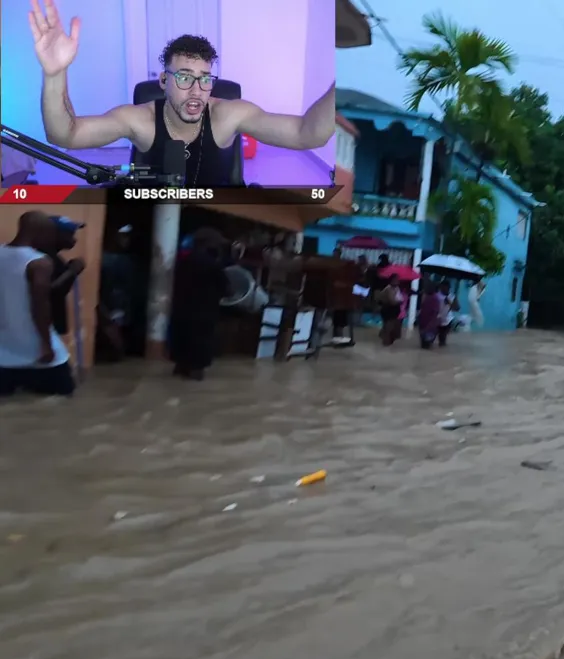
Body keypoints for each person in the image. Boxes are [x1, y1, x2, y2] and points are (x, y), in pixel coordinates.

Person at [30, 1, 335, 187]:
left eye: (205, 79)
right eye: (185, 77)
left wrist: (340, 89)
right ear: (164, 81)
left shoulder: (229, 115)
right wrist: (54, 73)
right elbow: (64, 135)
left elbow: (307, 134)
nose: (196, 91)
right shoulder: (139, 120)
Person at [0, 211, 75, 396]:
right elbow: (40, 305)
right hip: (36, 350)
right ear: (39, 232)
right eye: (50, 234)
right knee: (64, 399)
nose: (51, 239)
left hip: (3, 354)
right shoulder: (39, 263)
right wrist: (46, 344)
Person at [169, 228, 230, 380]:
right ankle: (194, 372)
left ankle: (181, 367)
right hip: (204, 313)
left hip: (181, 310)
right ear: (210, 244)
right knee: (200, 345)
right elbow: (227, 289)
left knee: (182, 341)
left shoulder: (183, 262)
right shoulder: (213, 265)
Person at [376, 275, 405, 346]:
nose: (397, 281)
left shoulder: (397, 288)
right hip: (388, 309)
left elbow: (399, 298)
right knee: (389, 326)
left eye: (397, 280)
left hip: (394, 310)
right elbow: (392, 301)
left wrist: (399, 301)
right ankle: (385, 342)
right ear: (391, 280)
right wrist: (399, 301)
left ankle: (386, 339)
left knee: (390, 326)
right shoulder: (388, 289)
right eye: (395, 280)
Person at [417, 280, 442, 349]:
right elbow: (423, 309)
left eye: (428, 287)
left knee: (426, 345)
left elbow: (435, 314)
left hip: (430, 326)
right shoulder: (427, 297)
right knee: (423, 345)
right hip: (423, 324)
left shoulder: (435, 298)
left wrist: (429, 326)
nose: (426, 288)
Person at [436, 280, 456, 348]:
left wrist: (449, 302)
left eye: (448, 287)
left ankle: (442, 345)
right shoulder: (437, 295)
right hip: (438, 317)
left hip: (448, 318)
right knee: (440, 334)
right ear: (441, 287)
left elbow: (456, 308)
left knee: (443, 334)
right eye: (444, 287)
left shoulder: (452, 296)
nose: (446, 289)